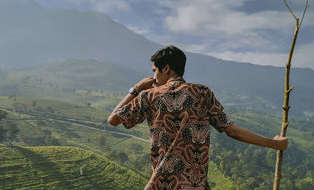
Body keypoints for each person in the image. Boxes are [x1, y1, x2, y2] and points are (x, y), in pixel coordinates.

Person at [108, 45, 288, 190]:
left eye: (155, 70)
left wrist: (137, 88)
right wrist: (275, 144)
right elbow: (232, 131)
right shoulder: (203, 93)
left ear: (167, 68)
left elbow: (113, 119)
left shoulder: (149, 96)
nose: (153, 76)